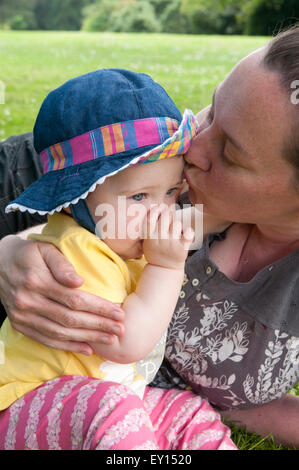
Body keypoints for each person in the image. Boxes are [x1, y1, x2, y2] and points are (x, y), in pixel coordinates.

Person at [0, 26, 299, 448]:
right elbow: (79, 226)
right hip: (50, 396)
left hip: (126, 396)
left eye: (230, 153)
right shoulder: (156, 173)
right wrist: (11, 251)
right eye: (211, 111)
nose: (190, 148)